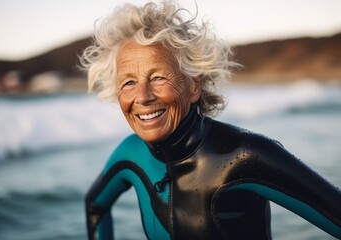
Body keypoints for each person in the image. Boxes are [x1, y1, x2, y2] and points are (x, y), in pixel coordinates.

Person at [80, 1, 341, 239]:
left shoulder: (242, 156)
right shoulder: (130, 153)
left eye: (158, 77)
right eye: (128, 83)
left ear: (194, 85)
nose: (143, 96)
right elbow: (95, 205)